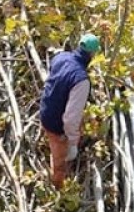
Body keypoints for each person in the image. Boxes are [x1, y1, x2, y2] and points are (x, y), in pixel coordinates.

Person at [39, 33, 99, 189]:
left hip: (46, 111)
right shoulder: (81, 80)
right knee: (60, 163)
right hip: (56, 125)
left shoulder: (61, 57)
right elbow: (70, 119)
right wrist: (72, 144)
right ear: (93, 54)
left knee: (56, 143)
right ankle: (58, 188)